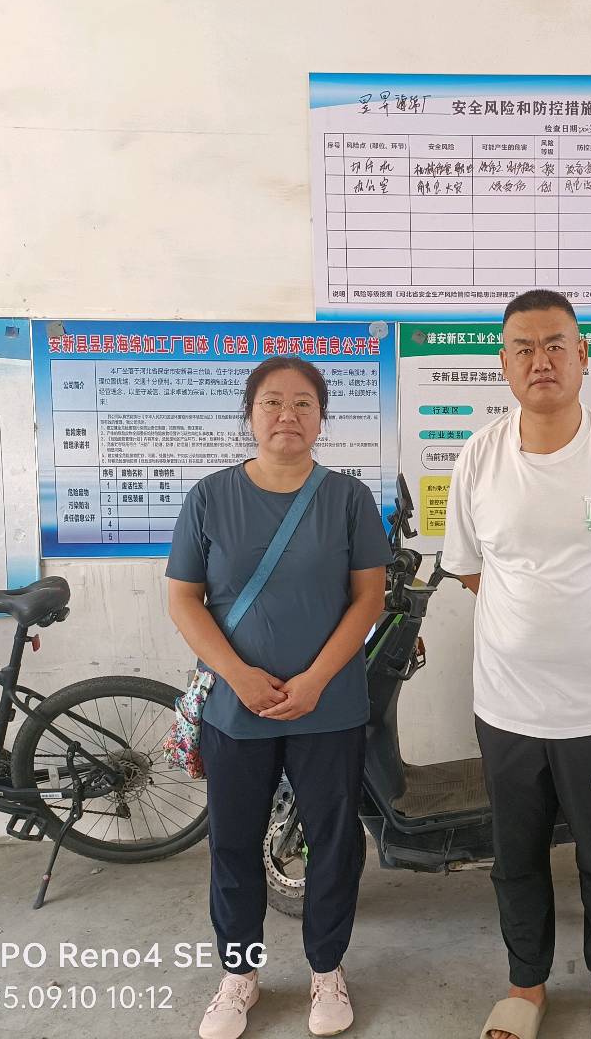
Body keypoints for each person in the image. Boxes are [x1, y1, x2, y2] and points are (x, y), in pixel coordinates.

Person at [442, 289, 591, 1039]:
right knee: (516, 857)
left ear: (583, 355)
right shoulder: (479, 455)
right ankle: (525, 985)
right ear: (503, 362)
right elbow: (471, 568)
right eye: (523, 347)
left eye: (554, 345)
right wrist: (532, 624)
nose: (539, 360)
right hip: (507, 705)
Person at [167, 356, 389, 1039]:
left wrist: (316, 679)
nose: (287, 415)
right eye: (271, 402)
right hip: (236, 709)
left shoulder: (348, 498)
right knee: (233, 843)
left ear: (321, 418)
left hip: (329, 706)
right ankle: (240, 975)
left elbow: (369, 599)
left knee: (333, 842)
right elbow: (184, 599)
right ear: (250, 414)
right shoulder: (210, 496)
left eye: (302, 403)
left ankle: (327, 969)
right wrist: (237, 674)